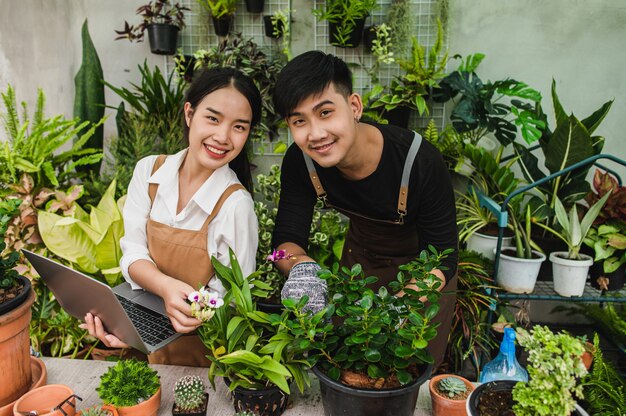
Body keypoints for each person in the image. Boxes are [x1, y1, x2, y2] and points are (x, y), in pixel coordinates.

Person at [271, 51, 458, 370]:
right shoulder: (301, 162)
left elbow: (444, 255)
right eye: (299, 121)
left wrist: (401, 308)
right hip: (359, 266)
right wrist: (301, 268)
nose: (315, 134)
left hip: (425, 277)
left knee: (408, 370)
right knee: (350, 364)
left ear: (354, 107)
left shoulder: (419, 162)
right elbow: (283, 244)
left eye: (325, 112)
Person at [80, 68, 261, 367]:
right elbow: (133, 253)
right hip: (142, 340)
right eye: (213, 118)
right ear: (189, 114)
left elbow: (235, 300)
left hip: (199, 357)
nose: (222, 137)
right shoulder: (149, 172)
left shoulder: (235, 205)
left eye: (239, 127)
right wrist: (133, 323)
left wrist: (192, 309)